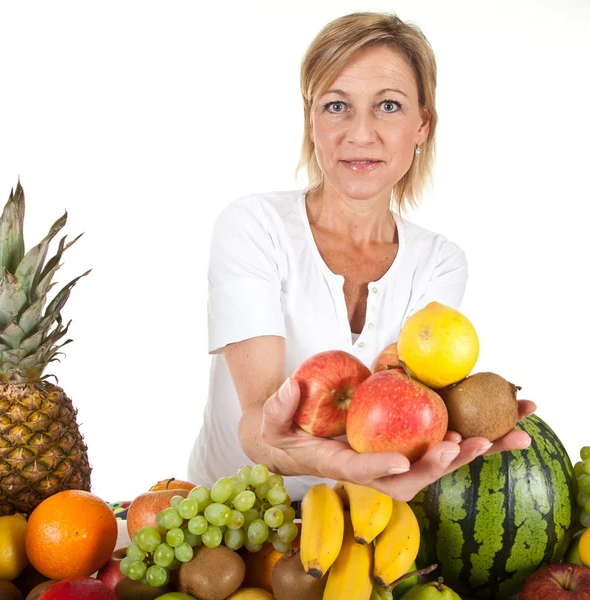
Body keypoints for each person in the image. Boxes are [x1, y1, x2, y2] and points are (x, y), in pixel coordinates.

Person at [188, 11, 535, 502]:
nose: (361, 133)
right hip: (233, 524)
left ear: (422, 126)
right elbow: (258, 415)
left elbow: (407, 397)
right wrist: (301, 449)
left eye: (388, 106)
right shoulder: (253, 226)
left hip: (362, 526)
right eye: (336, 106)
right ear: (311, 121)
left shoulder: (440, 261)